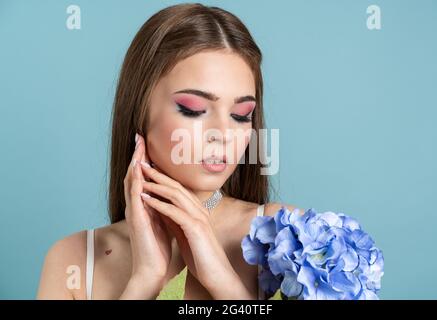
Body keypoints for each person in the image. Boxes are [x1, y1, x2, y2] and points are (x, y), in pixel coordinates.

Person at [37, 3, 303, 300]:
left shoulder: (287, 235)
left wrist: (223, 281)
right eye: (194, 110)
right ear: (140, 112)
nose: (223, 134)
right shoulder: (72, 261)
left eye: (241, 115)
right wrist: (145, 278)